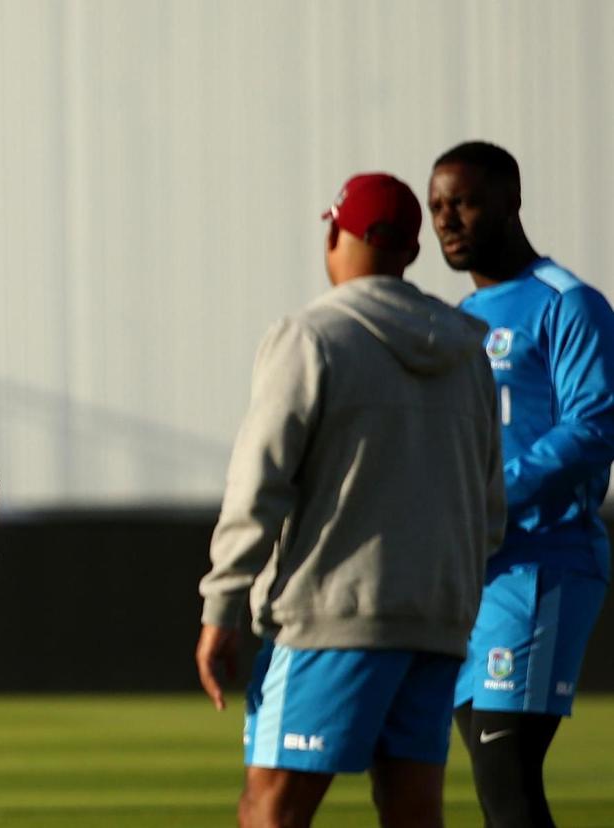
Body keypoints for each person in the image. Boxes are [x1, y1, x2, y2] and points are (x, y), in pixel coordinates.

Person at [195, 173, 505, 828]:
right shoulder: (466, 350)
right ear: (412, 251)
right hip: (437, 620)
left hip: (332, 616)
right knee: (412, 808)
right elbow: (489, 506)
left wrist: (223, 603)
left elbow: (259, 484)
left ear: (341, 235)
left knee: (270, 807)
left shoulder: (311, 337)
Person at [429, 141, 614, 828]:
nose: (448, 220)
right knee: (489, 776)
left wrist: (489, 494)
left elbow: (595, 425)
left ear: (511, 202)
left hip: (543, 562)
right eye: (437, 207)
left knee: (507, 776)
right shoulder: (451, 323)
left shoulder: (567, 303)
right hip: (470, 572)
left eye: (465, 202)